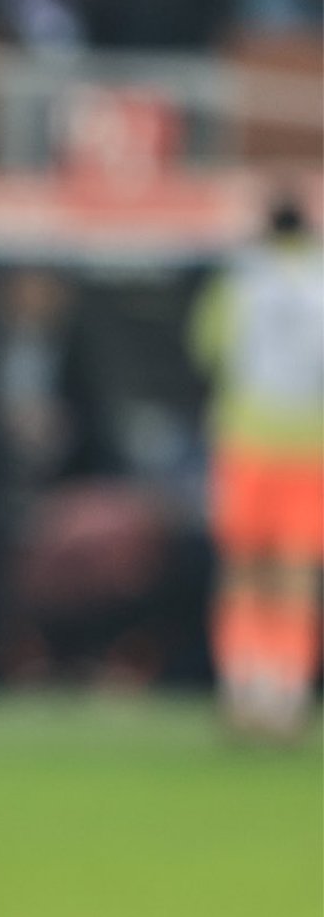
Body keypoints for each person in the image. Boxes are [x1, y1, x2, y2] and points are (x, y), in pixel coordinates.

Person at [189, 194, 324, 738]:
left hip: (246, 446)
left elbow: (208, 349)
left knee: (242, 572)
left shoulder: (239, 280)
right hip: (309, 450)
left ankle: (243, 687)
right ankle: (287, 693)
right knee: (295, 575)